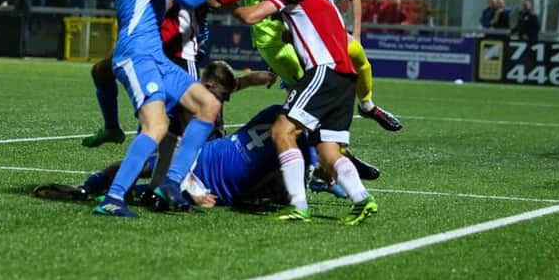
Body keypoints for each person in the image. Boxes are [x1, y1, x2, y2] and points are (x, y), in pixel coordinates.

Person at [91, 0, 244, 217]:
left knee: (208, 105)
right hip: (136, 56)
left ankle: (170, 183)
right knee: (157, 125)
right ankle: (113, 198)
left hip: (155, 57)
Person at [81, 0, 261, 149]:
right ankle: (117, 139)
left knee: (184, 119)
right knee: (106, 74)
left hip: (180, 43)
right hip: (147, 38)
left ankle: (201, 163)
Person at [34, 104, 381, 209]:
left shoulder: (298, 146)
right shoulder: (283, 121)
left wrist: (327, 182)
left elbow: (282, 185)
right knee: (150, 163)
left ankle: (121, 192)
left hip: (219, 188)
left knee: (158, 193)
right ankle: (93, 184)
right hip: (202, 158)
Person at [233, 0, 377, 226]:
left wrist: (228, 2)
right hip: (345, 79)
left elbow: (250, 16)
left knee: (282, 131)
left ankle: (298, 205)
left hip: (324, 71)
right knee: (328, 150)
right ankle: (362, 198)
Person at [298, 0, 401, 132]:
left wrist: (356, 34)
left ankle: (367, 105)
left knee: (359, 58)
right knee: (301, 90)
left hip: (330, 33)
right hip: (299, 36)